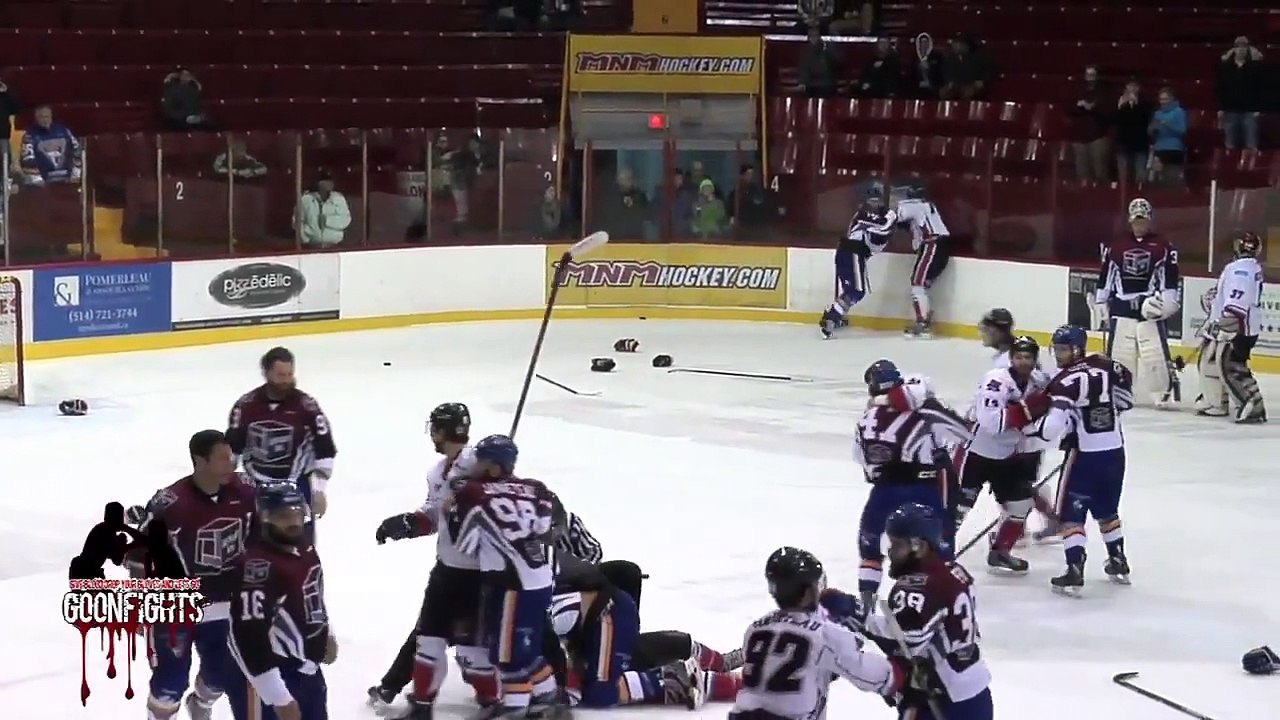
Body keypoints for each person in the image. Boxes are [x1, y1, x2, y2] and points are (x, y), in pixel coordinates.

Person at [368, 403, 499, 717]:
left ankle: (496, 700)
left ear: (441, 430)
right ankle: (407, 695)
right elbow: (433, 518)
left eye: (435, 429)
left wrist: (493, 477)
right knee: (428, 634)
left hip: (478, 572)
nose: (433, 435)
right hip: (446, 568)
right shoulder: (438, 473)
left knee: (473, 645)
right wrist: (406, 524)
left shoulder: (476, 463)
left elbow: (501, 497)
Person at [826, 503, 995, 720]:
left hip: (942, 701)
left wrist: (858, 614)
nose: (890, 552)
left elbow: (908, 642)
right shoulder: (956, 571)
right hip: (977, 692)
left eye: (897, 545)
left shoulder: (918, 586)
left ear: (920, 546)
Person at [134, 430, 258, 720]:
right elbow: (141, 557)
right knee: (170, 683)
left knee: (222, 674)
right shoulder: (172, 504)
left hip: (226, 603)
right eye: (223, 459)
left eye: (232, 458)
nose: (232, 465)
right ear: (199, 461)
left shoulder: (245, 490)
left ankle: (200, 704)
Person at [452, 434, 563, 719]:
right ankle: (547, 696)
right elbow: (542, 529)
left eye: (481, 460)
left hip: (511, 583)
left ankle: (515, 709)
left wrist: (454, 508)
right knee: (526, 649)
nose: (474, 464)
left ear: (493, 467)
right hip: (539, 579)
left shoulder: (474, 493)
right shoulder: (537, 489)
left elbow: (465, 545)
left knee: (507, 655)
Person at [728, 547, 904, 720]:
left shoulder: (755, 629)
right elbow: (869, 673)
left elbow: (786, 666)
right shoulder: (824, 635)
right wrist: (901, 672)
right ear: (807, 591)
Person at [550, 552, 743, 710]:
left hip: (605, 610)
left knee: (599, 693)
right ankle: (708, 666)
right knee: (626, 659)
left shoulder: (537, 602)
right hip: (590, 616)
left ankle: (680, 678)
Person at [853, 359, 969, 607]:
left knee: (870, 546)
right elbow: (965, 433)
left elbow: (864, 464)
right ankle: (948, 602)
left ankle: (866, 604)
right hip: (924, 489)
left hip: (883, 492)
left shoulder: (866, 419)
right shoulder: (925, 413)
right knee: (938, 549)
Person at [1035, 325, 1135, 595]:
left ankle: (1074, 570)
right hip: (1115, 452)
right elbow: (1125, 401)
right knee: (1107, 510)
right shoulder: (1106, 366)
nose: (1058, 354)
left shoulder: (1064, 381)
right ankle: (1118, 560)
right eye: (1056, 348)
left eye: (1064, 349)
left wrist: (1038, 429)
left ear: (1077, 349)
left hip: (1084, 458)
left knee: (1071, 514)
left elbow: (1050, 429)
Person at [228, 484, 335, 720]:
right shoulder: (258, 569)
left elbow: (312, 596)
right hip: (280, 675)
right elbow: (245, 639)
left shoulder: (305, 548)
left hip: (309, 673)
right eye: (284, 516)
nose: (294, 521)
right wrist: (278, 696)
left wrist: (326, 633)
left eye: (297, 513)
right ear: (265, 517)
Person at [954, 336, 1049, 574]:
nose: (1023, 361)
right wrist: (1029, 410)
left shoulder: (1039, 381)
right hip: (975, 453)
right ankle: (937, 556)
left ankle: (1001, 552)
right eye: (1018, 357)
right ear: (1011, 358)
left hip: (1007, 457)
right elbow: (991, 422)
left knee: (1021, 505)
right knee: (957, 509)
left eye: (1028, 357)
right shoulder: (996, 381)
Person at [975, 308, 1059, 543]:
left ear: (996, 329)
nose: (984, 333)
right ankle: (1043, 521)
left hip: (1022, 435)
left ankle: (1032, 524)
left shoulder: (1007, 361)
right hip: (1021, 433)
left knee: (1018, 486)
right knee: (1018, 485)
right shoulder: (1012, 354)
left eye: (987, 329)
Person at [226, 347, 337, 518]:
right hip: (255, 485)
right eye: (280, 375)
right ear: (267, 373)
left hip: (298, 486)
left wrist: (319, 490)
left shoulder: (307, 408)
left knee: (299, 541)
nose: (286, 380)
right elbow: (233, 449)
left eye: (289, 374)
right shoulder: (245, 406)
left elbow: (325, 450)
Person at [1094, 198, 1181, 406]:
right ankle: (1119, 392)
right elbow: (1106, 276)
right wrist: (1101, 302)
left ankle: (1163, 393)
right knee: (1121, 355)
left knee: (1155, 356)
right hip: (1122, 308)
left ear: (1149, 221)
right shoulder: (1116, 247)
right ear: (1130, 221)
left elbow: (1170, 278)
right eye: (1136, 221)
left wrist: (1168, 302)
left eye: (1143, 221)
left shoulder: (1163, 246)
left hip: (1148, 309)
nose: (1139, 225)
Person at [1195, 232, 1267, 423]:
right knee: (1211, 361)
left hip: (1237, 326)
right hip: (1241, 324)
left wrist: (1227, 322)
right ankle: (1216, 401)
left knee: (1229, 364)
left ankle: (1252, 403)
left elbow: (1238, 300)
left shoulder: (1241, 269)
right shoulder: (1250, 267)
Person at [821, 184, 896, 338]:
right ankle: (832, 316)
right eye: (872, 200)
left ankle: (833, 315)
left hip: (850, 253)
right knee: (856, 291)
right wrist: (892, 216)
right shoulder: (864, 215)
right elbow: (885, 227)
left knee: (853, 291)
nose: (875, 204)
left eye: (877, 200)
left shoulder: (865, 215)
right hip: (852, 253)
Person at [895, 188, 952, 338]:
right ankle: (924, 320)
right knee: (922, 285)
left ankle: (923, 324)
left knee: (917, 284)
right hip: (939, 246)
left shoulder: (915, 206)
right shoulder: (927, 207)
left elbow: (897, 215)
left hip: (932, 244)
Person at [19, 104, 81, 185]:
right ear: (36, 118)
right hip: (42, 181)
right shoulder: (30, 135)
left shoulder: (65, 131)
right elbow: (27, 160)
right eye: (41, 117)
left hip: (67, 179)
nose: (45, 120)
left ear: (51, 116)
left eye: (47, 116)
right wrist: (38, 181)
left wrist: (76, 173)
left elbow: (77, 151)